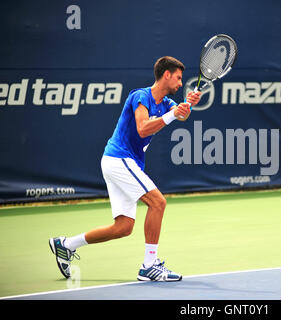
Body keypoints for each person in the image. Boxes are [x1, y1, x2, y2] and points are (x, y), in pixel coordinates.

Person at [49, 56, 202, 282]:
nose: (181, 84)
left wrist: (188, 105)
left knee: (123, 227)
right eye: (178, 78)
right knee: (158, 202)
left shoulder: (166, 104)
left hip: (123, 163)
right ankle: (149, 265)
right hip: (119, 159)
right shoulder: (140, 96)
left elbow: (181, 115)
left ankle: (66, 244)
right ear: (166, 75)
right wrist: (173, 114)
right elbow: (142, 129)